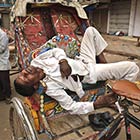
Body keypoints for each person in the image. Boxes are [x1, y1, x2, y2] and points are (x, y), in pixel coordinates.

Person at [14, 26, 139, 114]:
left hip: (83, 60)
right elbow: (71, 107)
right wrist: (97, 104)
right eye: (25, 78)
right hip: (90, 73)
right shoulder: (50, 87)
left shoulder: (36, 61)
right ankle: (116, 98)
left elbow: (55, 51)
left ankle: (104, 65)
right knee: (133, 68)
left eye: (21, 74)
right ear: (35, 85)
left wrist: (63, 60)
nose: (24, 72)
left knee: (91, 31)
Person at [0, 27, 12, 103]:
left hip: (2, 62)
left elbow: (1, 48)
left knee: (4, 81)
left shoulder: (2, 35)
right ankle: (1, 96)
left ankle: (8, 96)